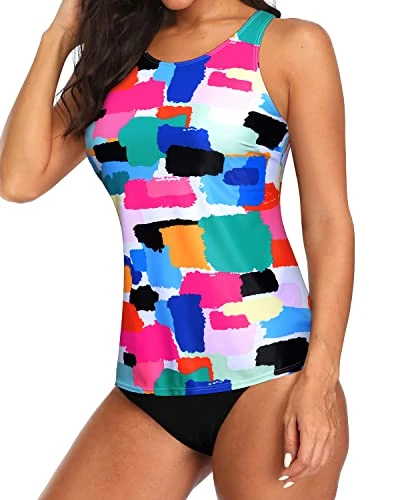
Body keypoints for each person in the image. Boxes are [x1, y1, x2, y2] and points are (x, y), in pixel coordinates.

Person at [0, 0, 354, 498]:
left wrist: (319, 380)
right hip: (149, 377)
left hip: (271, 369)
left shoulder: (289, 45)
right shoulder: (117, 58)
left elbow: (327, 221)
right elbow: (18, 179)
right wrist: (59, 35)